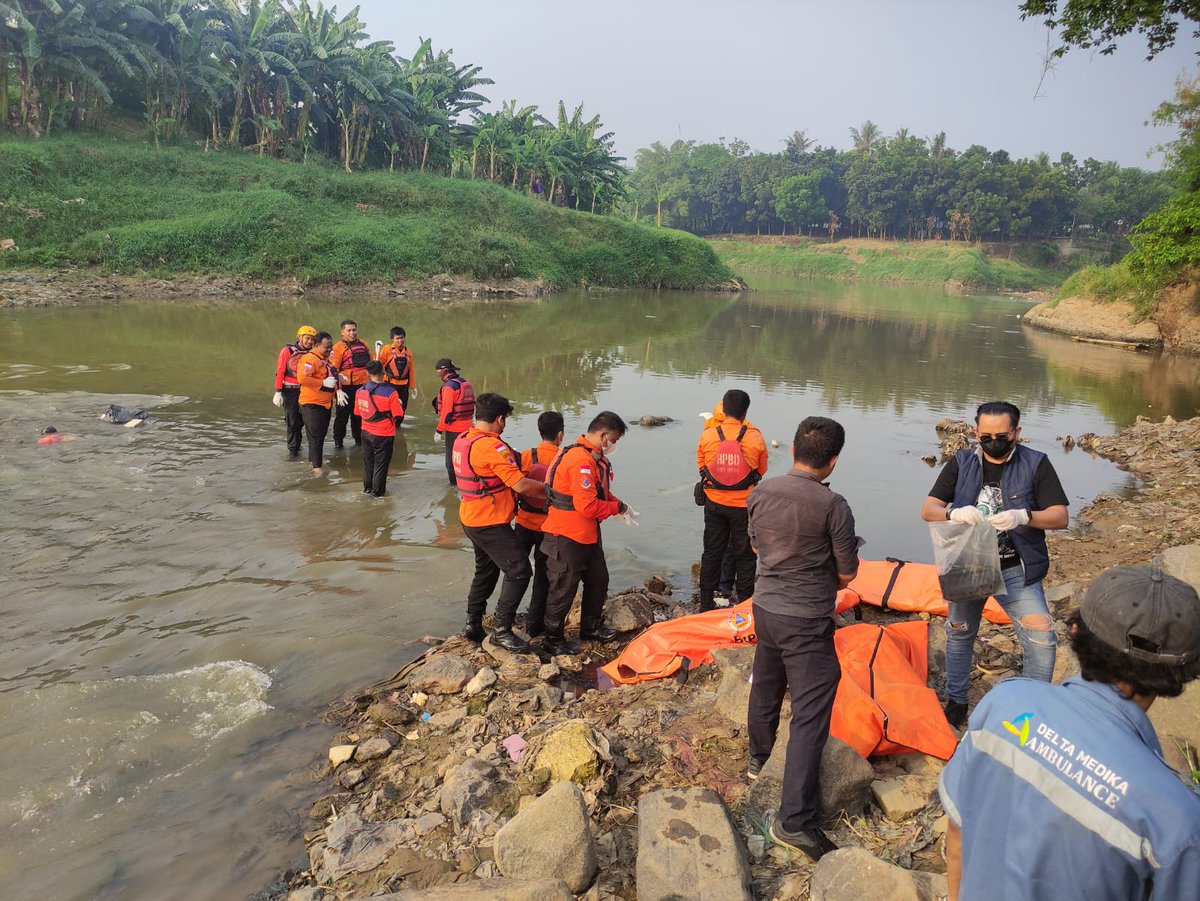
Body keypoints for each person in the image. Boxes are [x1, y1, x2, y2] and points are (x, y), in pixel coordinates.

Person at [939, 565, 1200, 901]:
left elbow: (958, 838)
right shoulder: (1177, 818)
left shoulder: (1003, 703)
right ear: (1182, 675)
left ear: (1075, 631)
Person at [746, 416, 859, 861]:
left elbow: (757, 547)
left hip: (766, 606)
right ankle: (794, 821)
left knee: (767, 682)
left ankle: (759, 761)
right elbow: (848, 572)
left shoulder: (761, 491)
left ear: (793, 449)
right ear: (832, 461)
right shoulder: (833, 505)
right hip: (807, 618)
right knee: (810, 717)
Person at [920, 401, 1069, 728]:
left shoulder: (1036, 464)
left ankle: (1031, 711)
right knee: (959, 634)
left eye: (1001, 435)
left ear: (1016, 433)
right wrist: (952, 513)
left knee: (1043, 638)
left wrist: (1024, 516)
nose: (993, 441)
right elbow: (928, 508)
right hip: (968, 566)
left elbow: (1060, 516)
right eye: (985, 436)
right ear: (976, 433)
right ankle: (957, 702)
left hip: (1017, 567)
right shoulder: (960, 463)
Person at [453, 393, 547, 652]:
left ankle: (473, 623)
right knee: (519, 571)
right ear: (500, 419)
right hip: (489, 522)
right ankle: (501, 630)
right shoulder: (491, 447)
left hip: (470, 517)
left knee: (486, 571)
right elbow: (520, 484)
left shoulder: (464, 439)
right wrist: (551, 492)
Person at [540, 411, 635, 655]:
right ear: (603, 435)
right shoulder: (581, 460)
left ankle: (591, 627)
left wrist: (620, 505)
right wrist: (616, 508)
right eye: (613, 439)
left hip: (587, 534)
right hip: (566, 535)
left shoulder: (592, 457)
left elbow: (600, 493)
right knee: (563, 589)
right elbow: (588, 505)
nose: (613, 445)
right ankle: (552, 639)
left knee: (598, 580)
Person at [697, 389, 768, 611]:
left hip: (714, 504)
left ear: (723, 409)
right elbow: (761, 469)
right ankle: (746, 604)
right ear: (745, 411)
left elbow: (702, 465)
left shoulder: (708, 434)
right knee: (746, 555)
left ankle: (706, 604)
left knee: (712, 552)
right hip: (743, 506)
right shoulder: (755, 436)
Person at [514, 411, 565, 637]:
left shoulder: (526, 456)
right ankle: (535, 625)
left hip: (523, 523)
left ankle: (505, 619)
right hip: (549, 528)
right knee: (543, 579)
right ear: (560, 435)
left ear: (539, 431)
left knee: (515, 573)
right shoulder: (563, 459)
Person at [355, 361, 404, 497]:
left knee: (368, 464)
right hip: (383, 434)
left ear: (368, 373)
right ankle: (378, 496)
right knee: (380, 467)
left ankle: (367, 489)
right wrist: (398, 404)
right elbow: (398, 416)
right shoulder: (391, 392)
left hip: (365, 432)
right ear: (383, 373)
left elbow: (358, 413)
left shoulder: (360, 391)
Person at [295, 331, 341, 474]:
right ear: (316, 345)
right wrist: (322, 382)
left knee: (319, 436)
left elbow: (330, 376)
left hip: (324, 403)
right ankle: (317, 469)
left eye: (331, 347)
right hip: (311, 404)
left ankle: (313, 462)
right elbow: (302, 379)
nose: (330, 350)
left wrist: (339, 384)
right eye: (326, 347)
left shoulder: (325, 359)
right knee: (316, 437)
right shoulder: (310, 359)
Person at [274, 325, 317, 460]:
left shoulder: (314, 353)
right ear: (299, 337)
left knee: (306, 421)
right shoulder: (287, 351)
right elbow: (280, 371)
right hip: (290, 391)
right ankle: (293, 451)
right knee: (292, 422)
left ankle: (307, 450)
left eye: (312, 339)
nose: (310, 341)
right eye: (307, 338)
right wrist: (278, 391)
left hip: (307, 390)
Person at [330, 319, 372, 450]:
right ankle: (338, 442)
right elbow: (333, 370)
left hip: (362, 387)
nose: (352, 333)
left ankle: (359, 441)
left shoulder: (364, 344)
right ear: (342, 332)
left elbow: (371, 365)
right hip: (345, 388)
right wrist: (337, 390)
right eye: (349, 330)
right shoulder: (338, 348)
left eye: (354, 330)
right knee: (342, 416)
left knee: (358, 415)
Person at [432, 358, 474, 485]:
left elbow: (447, 412)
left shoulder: (449, 388)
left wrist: (439, 430)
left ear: (444, 371)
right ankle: (468, 483)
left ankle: (454, 486)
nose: (437, 373)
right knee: (466, 459)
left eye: (438, 371)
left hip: (454, 430)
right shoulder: (466, 384)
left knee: (451, 462)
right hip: (469, 428)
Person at [377, 326, 418, 427]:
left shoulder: (408, 352)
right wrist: (377, 351)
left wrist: (413, 386)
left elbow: (411, 369)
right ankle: (387, 428)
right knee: (388, 410)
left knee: (401, 411)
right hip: (389, 385)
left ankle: (397, 428)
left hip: (403, 386)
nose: (400, 340)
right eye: (397, 338)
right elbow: (377, 366)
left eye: (401, 338)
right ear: (392, 339)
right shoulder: (386, 349)